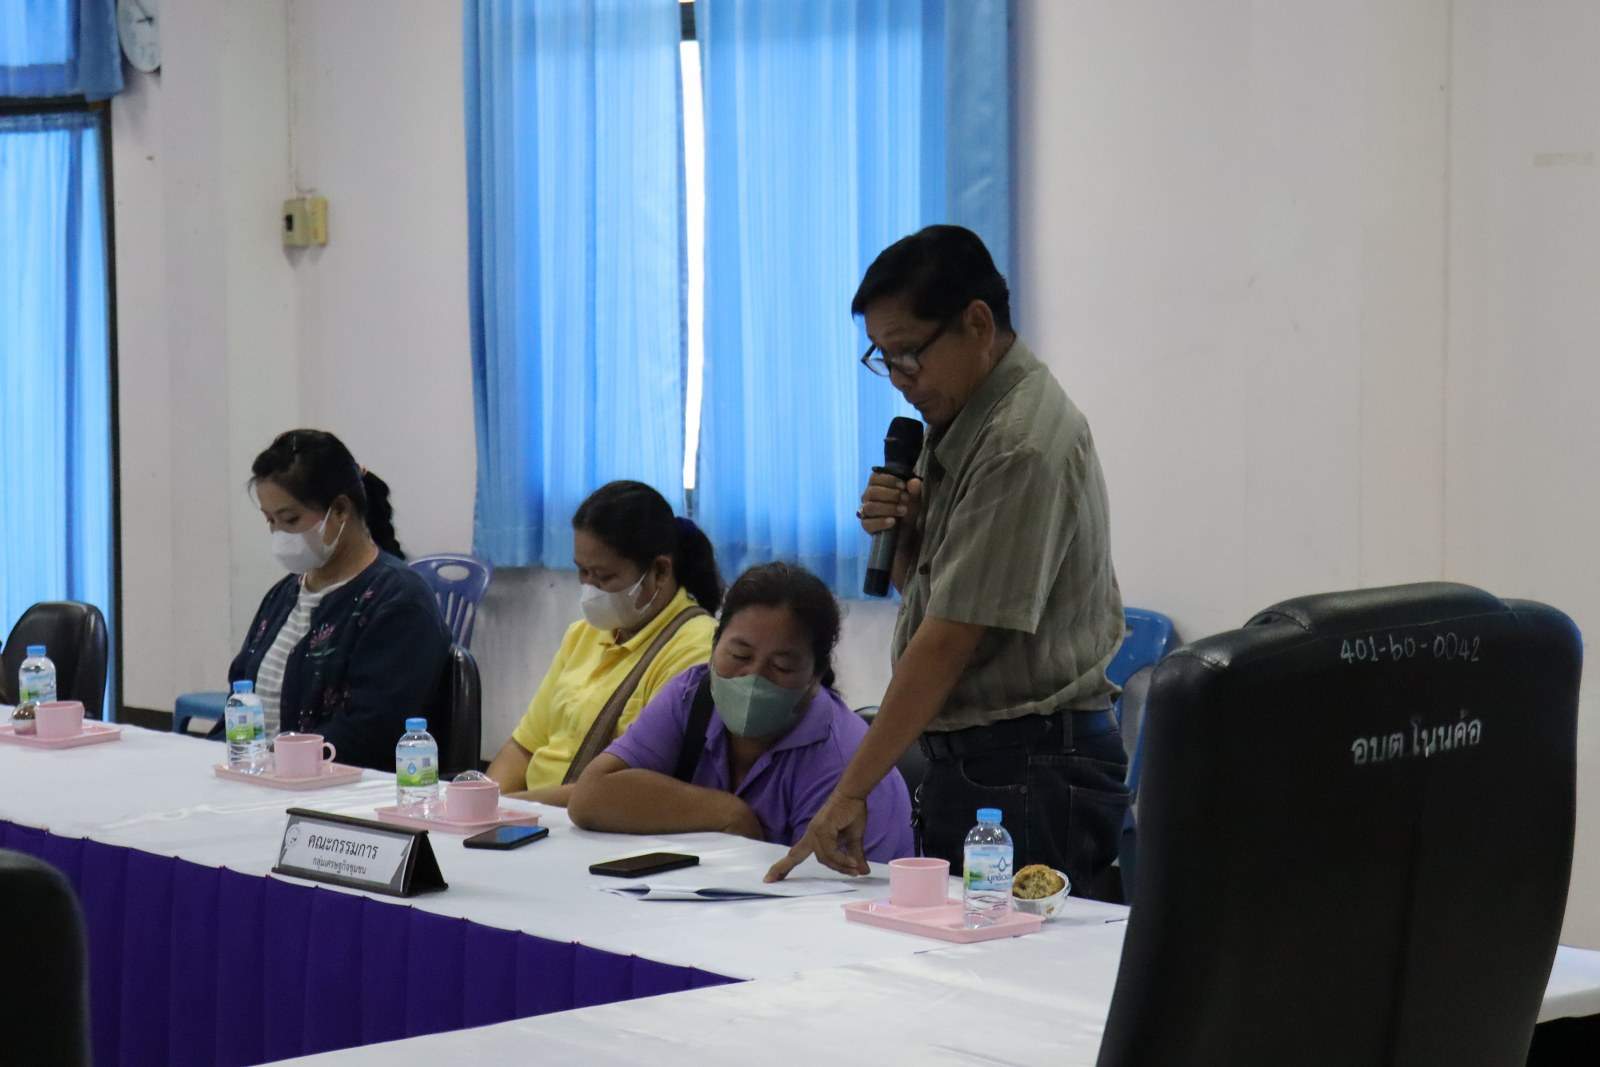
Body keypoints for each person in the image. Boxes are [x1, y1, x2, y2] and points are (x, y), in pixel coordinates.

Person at [766, 225, 1128, 899]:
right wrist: (906, 540)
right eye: (884, 359)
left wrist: (850, 790)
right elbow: (932, 599)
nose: (901, 380)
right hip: (988, 760)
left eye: (909, 355)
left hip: (1030, 767)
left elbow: (948, 640)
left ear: (977, 323)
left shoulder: (1018, 443)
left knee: (1018, 958)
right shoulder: (965, 415)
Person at [569, 562, 914, 862]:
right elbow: (591, 796)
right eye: (739, 656)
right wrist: (726, 812)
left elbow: (835, 899)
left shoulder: (843, 759)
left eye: (781, 666)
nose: (753, 677)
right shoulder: (691, 697)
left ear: (816, 676)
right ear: (714, 645)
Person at [485, 481, 722, 806]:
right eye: (583, 572)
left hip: (596, 820)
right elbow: (522, 747)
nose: (590, 588)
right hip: (534, 812)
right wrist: (486, 804)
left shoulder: (694, 649)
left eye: (604, 576)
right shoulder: (584, 634)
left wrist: (517, 808)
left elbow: (630, 787)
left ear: (660, 571)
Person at [229, 429, 450, 771]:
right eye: (270, 521)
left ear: (341, 510)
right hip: (267, 778)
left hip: (338, 786)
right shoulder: (284, 594)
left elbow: (370, 732)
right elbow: (241, 691)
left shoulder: (400, 601)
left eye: (290, 519)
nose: (279, 534)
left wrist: (280, 764)